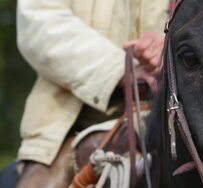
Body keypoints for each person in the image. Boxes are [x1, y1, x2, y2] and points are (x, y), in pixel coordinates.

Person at [16, 0, 169, 187]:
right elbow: (39, 21)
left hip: (171, 120)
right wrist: (119, 70)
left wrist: (172, 45)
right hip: (66, 130)